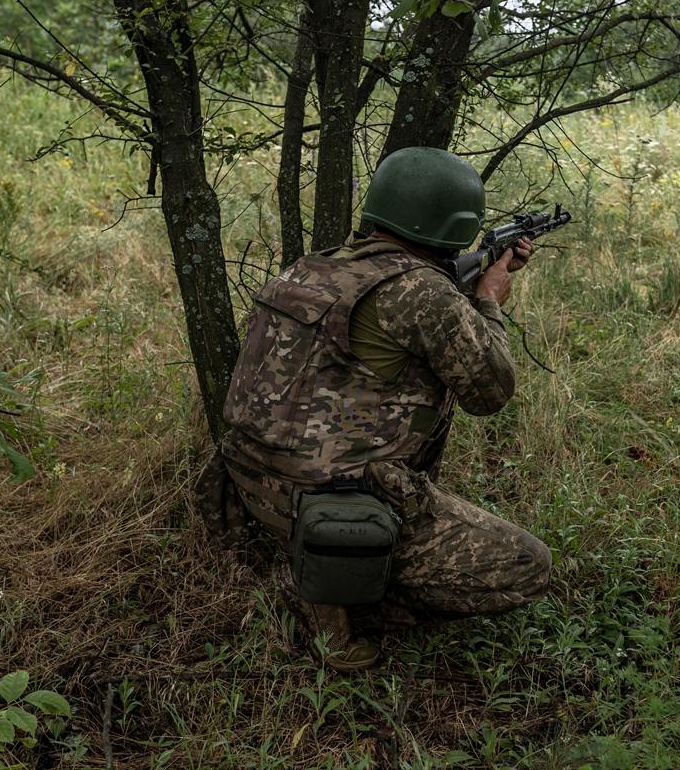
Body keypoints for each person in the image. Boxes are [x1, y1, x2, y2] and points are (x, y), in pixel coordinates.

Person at [219, 146, 552, 670]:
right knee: (528, 565)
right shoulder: (422, 291)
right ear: (455, 222)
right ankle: (349, 594)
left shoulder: (312, 267)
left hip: (251, 486)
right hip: (334, 506)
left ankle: (318, 567)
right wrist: (487, 299)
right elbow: (490, 393)